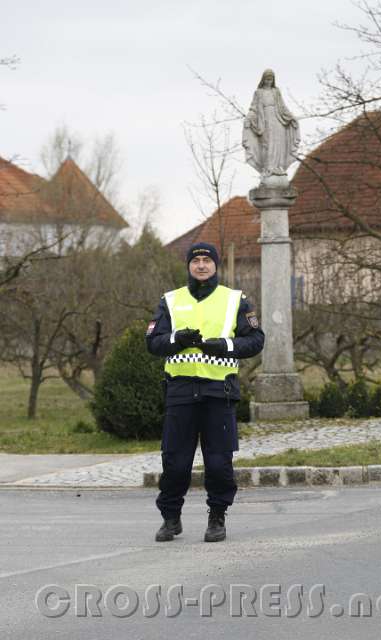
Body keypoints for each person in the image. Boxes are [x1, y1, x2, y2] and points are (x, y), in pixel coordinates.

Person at [146, 241, 264, 542]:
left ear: (216, 265)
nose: (201, 265)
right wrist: (177, 339)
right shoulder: (170, 300)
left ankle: (217, 517)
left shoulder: (235, 299)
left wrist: (224, 345)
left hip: (218, 392)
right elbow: (153, 343)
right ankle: (171, 518)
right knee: (175, 462)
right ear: (188, 265)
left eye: (207, 261)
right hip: (181, 392)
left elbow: (255, 340)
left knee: (218, 462)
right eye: (196, 260)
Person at [242, 68, 300, 177]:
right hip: (265, 121)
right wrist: (249, 118)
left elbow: (282, 107)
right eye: (267, 79)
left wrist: (291, 117)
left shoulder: (276, 92)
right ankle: (267, 168)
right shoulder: (258, 93)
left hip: (277, 119)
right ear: (263, 80)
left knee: (278, 143)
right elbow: (253, 108)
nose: (269, 81)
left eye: (271, 79)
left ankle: (278, 167)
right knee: (267, 144)